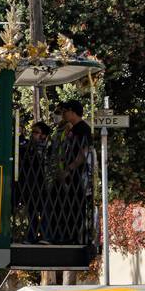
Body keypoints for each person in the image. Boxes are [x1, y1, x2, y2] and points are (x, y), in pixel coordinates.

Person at [50, 100, 93, 244]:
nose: (63, 114)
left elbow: (83, 153)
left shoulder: (82, 129)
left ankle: (71, 236)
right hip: (70, 173)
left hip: (76, 175)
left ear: (72, 111)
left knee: (73, 206)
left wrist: (69, 169)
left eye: (64, 111)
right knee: (62, 203)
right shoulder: (73, 128)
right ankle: (62, 235)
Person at [17, 121, 52, 242]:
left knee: (45, 210)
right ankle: (32, 236)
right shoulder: (28, 147)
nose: (33, 135)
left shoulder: (48, 148)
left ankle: (45, 235)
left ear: (43, 135)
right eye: (32, 132)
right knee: (32, 211)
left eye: (36, 132)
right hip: (31, 185)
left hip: (44, 184)